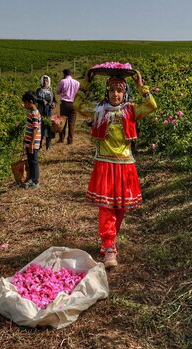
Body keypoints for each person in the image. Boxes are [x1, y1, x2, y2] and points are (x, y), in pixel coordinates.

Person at [74, 68, 157, 268]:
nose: (115, 94)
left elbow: (152, 105)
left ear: (125, 92)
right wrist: (86, 84)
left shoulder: (131, 110)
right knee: (107, 207)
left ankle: (109, 242)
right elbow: (77, 105)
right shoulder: (99, 110)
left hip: (125, 165)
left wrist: (141, 86)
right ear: (107, 92)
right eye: (112, 90)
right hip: (105, 163)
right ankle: (109, 245)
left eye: (119, 90)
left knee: (121, 208)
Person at [21, 91, 41, 190]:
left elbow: (35, 129)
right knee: (30, 160)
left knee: (33, 161)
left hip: (33, 142)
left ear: (31, 102)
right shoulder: (32, 113)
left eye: (25, 103)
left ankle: (35, 181)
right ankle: (31, 179)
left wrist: (32, 144)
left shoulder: (34, 114)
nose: (24, 105)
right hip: (29, 141)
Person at [55, 69, 80, 144]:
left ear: (64, 74)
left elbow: (57, 92)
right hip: (74, 104)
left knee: (63, 122)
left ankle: (61, 139)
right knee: (71, 123)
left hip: (65, 103)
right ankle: (70, 140)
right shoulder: (77, 82)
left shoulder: (63, 81)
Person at [35, 75, 56, 150]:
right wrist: (41, 101)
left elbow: (54, 100)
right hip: (40, 111)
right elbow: (35, 98)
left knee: (49, 128)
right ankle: (39, 146)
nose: (45, 82)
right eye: (44, 80)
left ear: (49, 81)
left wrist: (54, 104)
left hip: (48, 111)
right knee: (40, 128)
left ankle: (48, 146)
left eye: (46, 80)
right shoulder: (39, 90)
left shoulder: (51, 91)